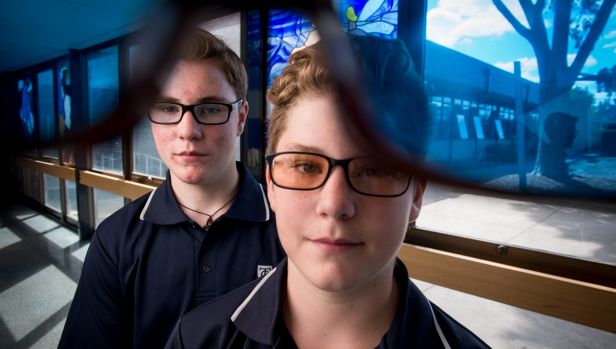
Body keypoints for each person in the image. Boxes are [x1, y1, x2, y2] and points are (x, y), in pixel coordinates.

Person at [165, 36, 490, 348]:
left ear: (416, 195)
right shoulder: (196, 339)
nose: (335, 204)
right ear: (272, 185)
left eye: (374, 170)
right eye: (306, 166)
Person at [59, 29, 285, 348]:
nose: (187, 131)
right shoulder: (115, 241)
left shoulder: (289, 227)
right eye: (167, 108)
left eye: (210, 109)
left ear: (241, 118)